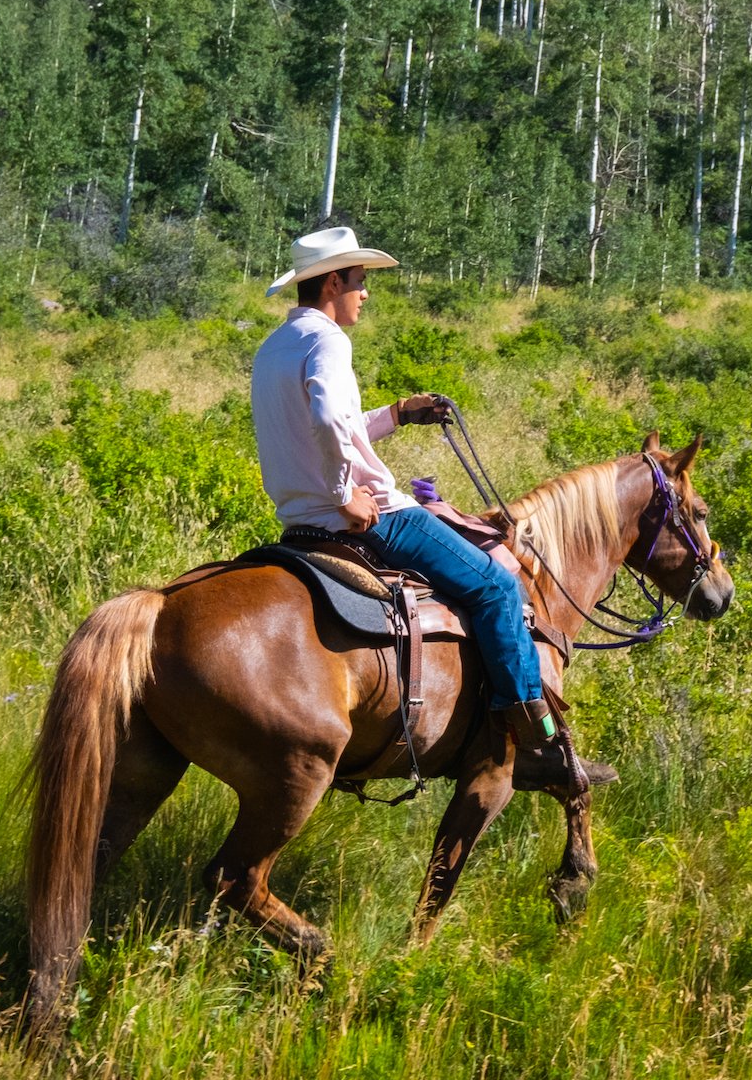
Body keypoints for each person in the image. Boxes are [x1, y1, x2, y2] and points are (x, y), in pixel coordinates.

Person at [248, 226, 611, 798]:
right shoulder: (328, 342)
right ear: (335, 281)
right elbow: (327, 424)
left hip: (300, 522)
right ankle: (530, 735)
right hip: (370, 517)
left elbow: (329, 425)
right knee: (495, 583)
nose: (365, 293)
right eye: (361, 282)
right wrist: (346, 491)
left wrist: (397, 413)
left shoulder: (275, 346)